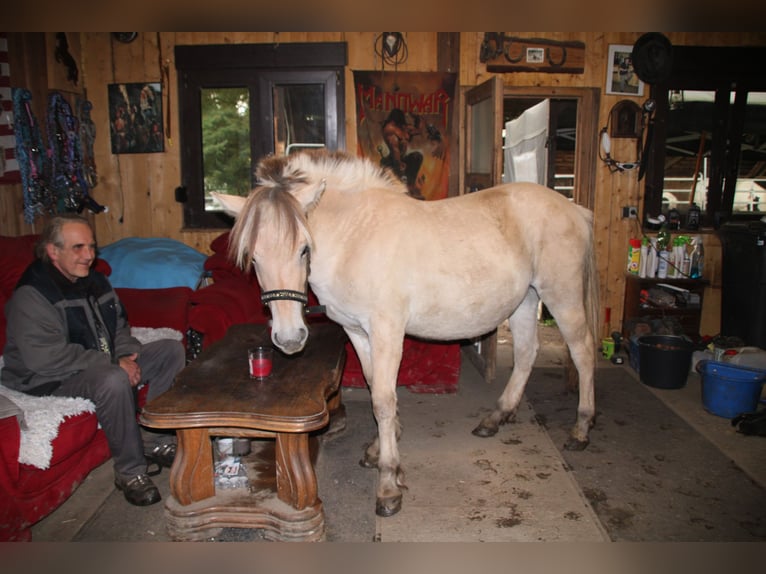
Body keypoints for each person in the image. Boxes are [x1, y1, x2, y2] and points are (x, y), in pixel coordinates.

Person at [1, 214, 186, 506]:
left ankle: (153, 438)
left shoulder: (95, 280)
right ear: (53, 251)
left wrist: (125, 353)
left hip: (97, 360)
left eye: (91, 246)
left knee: (170, 350)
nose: (89, 255)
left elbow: (119, 325)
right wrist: (113, 364)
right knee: (113, 379)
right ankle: (129, 471)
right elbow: (46, 358)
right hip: (45, 376)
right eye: (78, 247)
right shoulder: (33, 295)